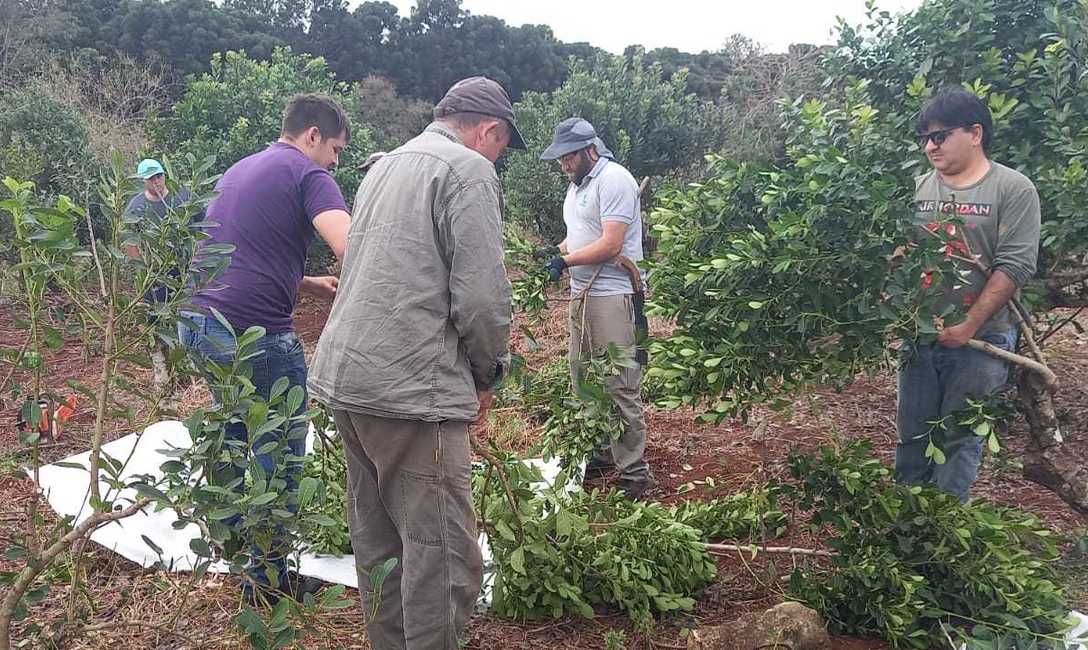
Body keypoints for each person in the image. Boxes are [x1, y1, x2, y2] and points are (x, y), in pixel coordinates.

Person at [307, 76, 521, 649]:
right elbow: (480, 298)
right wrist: (486, 374)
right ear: (489, 130)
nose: (498, 156)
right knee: (443, 557)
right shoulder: (468, 170)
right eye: (502, 146)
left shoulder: (385, 164)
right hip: (410, 390)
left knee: (380, 547)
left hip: (350, 378)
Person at [178, 93, 352, 602]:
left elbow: (241, 253)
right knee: (280, 446)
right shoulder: (308, 174)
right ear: (312, 136)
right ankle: (269, 579)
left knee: (232, 432)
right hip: (251, 331)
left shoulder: (240, 169)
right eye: (336, 149)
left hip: (198, 321)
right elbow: (350, 244)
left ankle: (236, 553)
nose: (335, 162)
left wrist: (310, 283)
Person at [896, 86, 1040, 501]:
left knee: (959, 441)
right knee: (912, 437)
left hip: (982, 339)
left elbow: (1015, 264)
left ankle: (942, 533)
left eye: (939, 136)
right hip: (920, 337)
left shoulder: (1012, 189)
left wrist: (969, 323)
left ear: (975, 133)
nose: (929, 146)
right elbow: (899, 255)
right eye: (924, 137)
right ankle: (904, 527)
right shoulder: (919, 188)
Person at [538, 117, 655, 499]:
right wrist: (552, 255)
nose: (563, 165)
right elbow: (577, 239)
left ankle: (634, 474)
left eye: (568, 157)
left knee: (620, 384)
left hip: (613, 295)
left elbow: (610, 245)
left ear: (590, 150)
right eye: (560, 159)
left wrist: (565, 263)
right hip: (582, 295)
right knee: (583, 379)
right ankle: (603, 451)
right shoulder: (576, 188)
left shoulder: (614, 179)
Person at [124, 158, 191, 391]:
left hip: (181, 270)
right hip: (154, 274)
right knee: (153, 320)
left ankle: (185, 368)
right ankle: (161, 370)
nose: (157, 181)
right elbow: (129, 240)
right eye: (151, 178)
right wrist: (142, 268)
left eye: (159, 175)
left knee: (183, 317)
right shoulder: (136, 207)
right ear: (144, 181)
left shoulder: (180, 196)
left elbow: (200, 224)